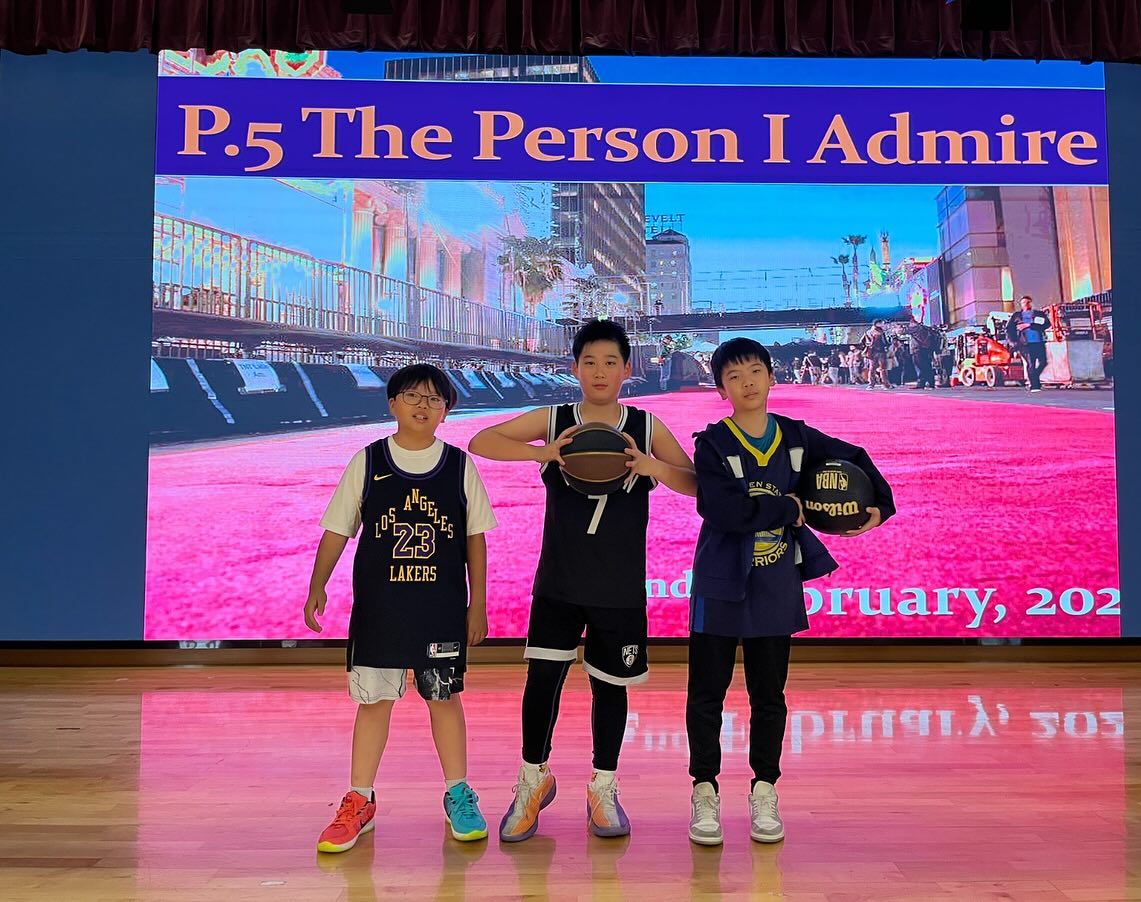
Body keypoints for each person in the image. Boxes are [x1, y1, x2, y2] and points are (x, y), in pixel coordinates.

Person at [468, 319, 697, 842]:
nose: (599, 371)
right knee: (542, 683)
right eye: (589, 362)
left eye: (610, 362)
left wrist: (653, 467)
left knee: (609, 688)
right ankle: (533, 779)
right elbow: (482, 440)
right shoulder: (555, 420)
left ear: (627, 370)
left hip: (618, 586)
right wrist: (541, 452)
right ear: (574, 368)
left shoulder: (645, 426)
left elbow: (694, 483)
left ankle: (603, 786)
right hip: (559, 581)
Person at [685, 338, 895, 846]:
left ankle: (764, 789)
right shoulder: (712, 443)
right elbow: (722, 511)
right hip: (720, 578)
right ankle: (705, 790)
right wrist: (787, 508)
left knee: (769, 695)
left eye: (755, 371)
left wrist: (880, 505)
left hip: (775, 581)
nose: (747, 383)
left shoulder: (796, 436)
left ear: (771, 377)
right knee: (707, 694)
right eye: (734, 376)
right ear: (721, 389)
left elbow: (855, 457)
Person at [305, 364, 496, 853]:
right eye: (412, 395)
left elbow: (475, 539)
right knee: (373, 704)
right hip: (380, 611)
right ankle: (359, 799)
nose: (422, 405)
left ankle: (458, 793)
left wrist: (478, 603)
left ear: (447, 411)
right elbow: (338, 528)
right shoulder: (367, 461)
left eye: (434, 399)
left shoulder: (459, 465)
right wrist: (317, 584)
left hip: (440, 611)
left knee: (444, 699)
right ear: (392, 403)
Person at [1006, 296, 1052, 392]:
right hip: (1024, 343)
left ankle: (1034, 378)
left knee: (1043, 362)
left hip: (1039, 341)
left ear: (1031, 303)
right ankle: (1035, 386)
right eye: (1024, 303)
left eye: (1028, 302)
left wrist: (1029, 325)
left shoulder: (1038, 314)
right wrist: (1013, 342)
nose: (1026, 304)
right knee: (1031, 363)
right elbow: (1009, 329)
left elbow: (1046, 324)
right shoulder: (1017, 316)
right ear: (1021, 305)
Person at [863, 321, 892, 389]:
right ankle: (872, 384)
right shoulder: (870, 332)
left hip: (879, 351)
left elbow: (886, 342)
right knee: (874, 368)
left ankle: (884, 384)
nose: (882, 325)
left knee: (881, 368)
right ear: (876, 324)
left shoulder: (882, 332)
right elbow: (865, 342)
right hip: (874, 352)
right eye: (880, 323)